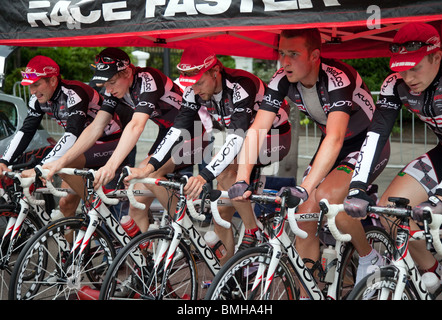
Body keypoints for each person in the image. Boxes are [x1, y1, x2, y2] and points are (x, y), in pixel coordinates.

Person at [230, 28, 391, 287]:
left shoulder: (338, 78)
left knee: (327, 197)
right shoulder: (282, 78)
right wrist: (241, 178)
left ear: (315, 55)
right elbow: (257, 129)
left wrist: (305, 188)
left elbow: (337, 137)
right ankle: (309, 292)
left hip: (366, 145)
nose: (285, 61)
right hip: (332, 145)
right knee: (302, 219)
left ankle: (369, 257)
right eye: (282, 53)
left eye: (293, 54)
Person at [125, 44, 291, 262]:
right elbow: (176, 130)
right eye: (191, 85)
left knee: (224, 172)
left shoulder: (241, 85)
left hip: (274, 137)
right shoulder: (194, 90)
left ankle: (253, 229)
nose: (196, 90)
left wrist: (205, 175)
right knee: (220, 212)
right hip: (245, 138)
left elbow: (237, 137)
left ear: (215, 72)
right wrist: (149, 166)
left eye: (200, 82)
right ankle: (225, 275)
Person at [344, 22, 442, 277]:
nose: (408, 78)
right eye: (402, 70)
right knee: (391, 216)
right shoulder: (395, 85)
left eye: (415, 68)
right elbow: (376, 134)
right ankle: (434, 280)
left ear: (436, 56)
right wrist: (357, 185)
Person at [45, 47, 188, 232]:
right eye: (106, 84)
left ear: (127, 71)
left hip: (194, 133)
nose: (109, 89)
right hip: (168, 134)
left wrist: (111, 166)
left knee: (151, 175)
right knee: (136, 204)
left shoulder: (147, 78)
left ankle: (185, 238)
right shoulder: (115, 91)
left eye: (112, 81)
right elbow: (96, 126)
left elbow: (137, 125)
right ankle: (145, 258)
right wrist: (60, 161)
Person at [0, 55, 122, 217]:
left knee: (63, 165)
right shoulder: (37, 99)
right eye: (30, 86)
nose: (33, 91)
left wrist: (42, 167)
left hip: (110, 142)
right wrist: (4, 161)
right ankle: (74, 237)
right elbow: (26, 131)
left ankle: (99, 209)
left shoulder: (74, 92)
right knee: (66, 205)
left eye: (36, 84)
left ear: (52, 81)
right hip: (83, 147)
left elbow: (73, 132)